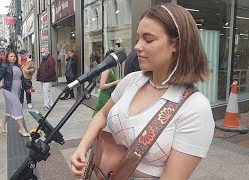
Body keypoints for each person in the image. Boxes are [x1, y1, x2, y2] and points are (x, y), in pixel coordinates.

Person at [70, 3, 215, 180]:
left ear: (175, 44)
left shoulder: (195, 107)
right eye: (138, 38)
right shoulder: (132, 80)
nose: (137, 46)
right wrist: (82, 147)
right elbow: (101, 115)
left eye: (148, 39)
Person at [0, 51, 32, 137]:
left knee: (9, 109)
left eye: (14, 56)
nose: (13, 58)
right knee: (18, 107)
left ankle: (2, 124)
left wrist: (28, 87)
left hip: (17, 89)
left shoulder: (17, 66)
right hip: (8, 90)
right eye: (11, 56)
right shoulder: (4, 66)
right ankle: (22, 129)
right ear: (7, 57)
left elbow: (22, 78)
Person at [92, 50, 120, 117]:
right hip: (105, 96)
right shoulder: (106, 70)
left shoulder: (112, 69)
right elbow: (102, 86)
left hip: (110, 94)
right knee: (102, 113)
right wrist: (114, 82)